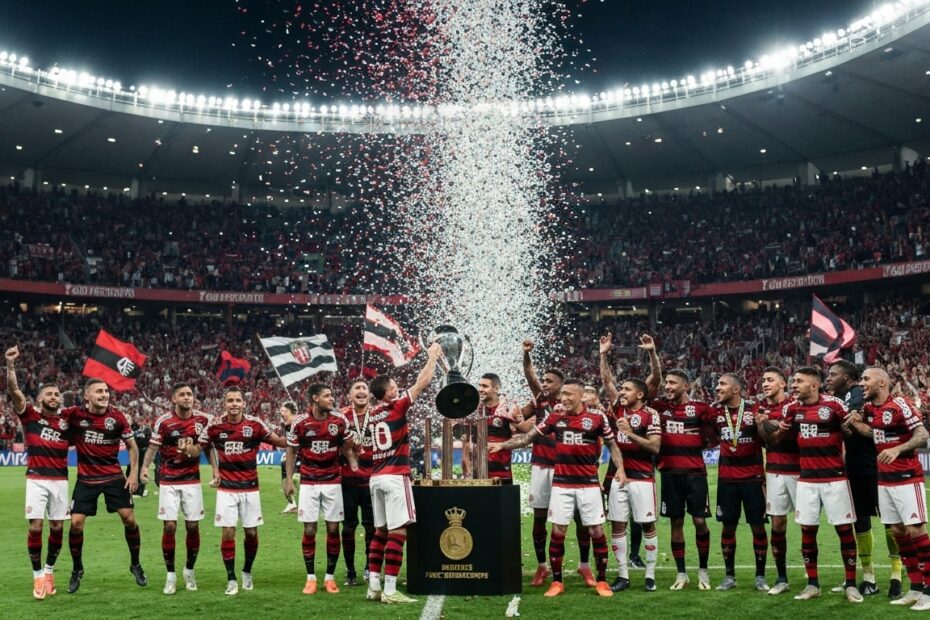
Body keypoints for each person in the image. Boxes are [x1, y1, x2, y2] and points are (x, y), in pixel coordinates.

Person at [491, 379, 626, 598]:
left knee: (596, 531)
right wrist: (503, 445)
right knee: (558, 531)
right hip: (562, 484)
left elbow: (612, 444)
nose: (564, 399)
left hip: (589, 484)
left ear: (581, 396)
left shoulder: (596, 418)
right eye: (562, 394)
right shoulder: (556, 417)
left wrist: (620, 468)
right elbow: (528, 437)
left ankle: (602, 581)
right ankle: (557, 582)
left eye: (569, 395)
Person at [185, 386, 287, 596]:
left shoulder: (254, 424)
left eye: (237, 400)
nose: (234, 404)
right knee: (228, 531)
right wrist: (188, 448)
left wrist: (294, 431)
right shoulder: (215, 425)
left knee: (251, 533)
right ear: (225, 403)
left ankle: (247, 571)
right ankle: (231, 578)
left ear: (243, 403)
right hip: (227, 488)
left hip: (250, 488)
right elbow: (199, 447)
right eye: (230, 400)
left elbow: (278, 441)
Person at [847, 367, 930, 609]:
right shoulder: (871, 409)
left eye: (866, 379)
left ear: (882, 383)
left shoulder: (900, 404)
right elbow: (874, 434)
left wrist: (897, 449)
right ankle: (915, 587)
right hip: (884, 479)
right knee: (898, 531)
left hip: (906, 476)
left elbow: (922, 434)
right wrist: (854, 424)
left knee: (916, 530)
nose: (861, 383)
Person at [365, 342, 442, 605]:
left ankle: (373, 586)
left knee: (380, 532)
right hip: (396, 475)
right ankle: (389, 590)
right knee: (398, 533)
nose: (398, 390)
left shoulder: (372, 415)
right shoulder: (397, 406)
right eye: (394, 388)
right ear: (387, 393)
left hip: (375, 478)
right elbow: (422, 383)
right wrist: (431, 357)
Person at [778, 367, 862, 603]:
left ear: (814, 385)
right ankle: (813, 584)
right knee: (807, 530)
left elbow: (851, 431)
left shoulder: (834, 405)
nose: (794, 385)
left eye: (799, 381)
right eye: (794, 381)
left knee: (844, 530)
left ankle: (851, 585)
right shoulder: (792, 409)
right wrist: (781, 431)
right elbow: (782, 440)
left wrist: (849, 426)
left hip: (835, 478)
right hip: (806, 479)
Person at [632, 348, 712, 591]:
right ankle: (681, 573)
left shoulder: (700, 409)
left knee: (699, 521)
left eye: (673, 383)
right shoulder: (658, 407)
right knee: (675, 522)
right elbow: (650, 386)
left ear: (685, 386)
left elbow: (709, 438)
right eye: (667, 382)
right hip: (669, 474)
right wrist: (653, 355)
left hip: (695, 473)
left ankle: (703, 571)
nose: (668, 386)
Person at [518, 340, 593, 587]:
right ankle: (542, 567)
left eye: (550, 381)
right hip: (541, 466)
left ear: (562, 386)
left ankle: (584, 565)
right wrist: (526, 354)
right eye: (545, 381)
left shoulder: (576, 407)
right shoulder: (540, 401)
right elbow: (529, 378)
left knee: (582, 519)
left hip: (569, 469)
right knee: (540, 517)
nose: (545, 384)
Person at [61, 377, 146, 594]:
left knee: (129, 518)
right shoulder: (75, 414)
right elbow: (53, 417)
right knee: (77, 523)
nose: (104, 394)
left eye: (106, 391)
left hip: (113, 477)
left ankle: (135, 564)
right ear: (87, 395)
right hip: (86, 478)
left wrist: (133, 474)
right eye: (99, 391)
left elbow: (133, 447)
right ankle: (77, 569)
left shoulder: (116, 416)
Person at [5, 346, 69, 600]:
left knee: (56, 529)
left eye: (57, 394)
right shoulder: (30, 415)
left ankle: (50, 570)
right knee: (36, 527)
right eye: (49, 394)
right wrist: (10, 366)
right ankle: (37, 576)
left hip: (61, 480)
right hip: (37, 479)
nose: (54, 397)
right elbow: (15, 392)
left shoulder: (67, 422)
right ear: (40, 398)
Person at [139, 382, 215, 595]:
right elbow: (153, 447)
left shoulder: (202, 420)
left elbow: (208, 449)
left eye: (190, 394)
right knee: (169, 527)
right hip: (169, 481)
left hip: (192, 481)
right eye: (182, 394)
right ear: (174, 399)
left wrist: (215, 471)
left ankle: (189, 571)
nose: (187, 397)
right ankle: (170, 575)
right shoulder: (164, 421)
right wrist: (145, 468)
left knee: (192, 527)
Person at [827, 359, 895, 597]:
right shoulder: (841, 399)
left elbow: (856, 423)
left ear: (846, 378)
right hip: (855, 469)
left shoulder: (857, 394)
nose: (828, 379)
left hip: (875, 467)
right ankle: (869, 577)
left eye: (833, 374)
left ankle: (896, 576)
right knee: (861, 521)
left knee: (889, 521)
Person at [285, 383, 357, 595]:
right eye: (327, 396)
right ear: (315, 398)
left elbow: (347, 443)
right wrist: (289, 479)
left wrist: (352, 454)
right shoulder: (300, 422)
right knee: (309, 529)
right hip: (308, 482)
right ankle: (310, 578)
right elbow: (291, 451)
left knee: (333, 529)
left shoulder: (339, 420)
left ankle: (329, 577)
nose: (332, 399)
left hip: (333, 481)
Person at [708, 374, 768, 592]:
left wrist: (762, 425)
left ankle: (760, 576)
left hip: (753, 479)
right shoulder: (715, 412)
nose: (717, 387)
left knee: (758, 527)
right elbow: (711, 439)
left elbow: (766, 440)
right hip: (727, 480)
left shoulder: (755, 409)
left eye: (722, 384)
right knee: (728, 527)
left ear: (736, 390)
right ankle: (729, 575)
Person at [604, 378, 661, 592]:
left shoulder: (650, 415)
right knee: (618, 524)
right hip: (620, 477)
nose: (622, 392)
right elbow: (607, 382)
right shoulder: (619, 410)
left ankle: (650, 575)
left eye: (627, 389)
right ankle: (623, 575)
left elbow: (655, 447)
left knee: (647, 524)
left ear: (639, 395)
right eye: (622, 388)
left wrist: (629, 434)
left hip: (643, 478)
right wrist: (603, 355)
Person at [753, 367, 796, 595]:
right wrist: (765, 423)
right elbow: (768, 439)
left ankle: (814, 575)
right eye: (763, 380)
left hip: (800, 472)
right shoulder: (760, 408)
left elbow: (784, 432)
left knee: (809, 524)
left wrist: (767, 422)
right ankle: (782, 577)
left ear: (783, 384)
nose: (765, 383)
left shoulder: (793, 405)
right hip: (775, 472)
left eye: (770, 380)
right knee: (778, 524)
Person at [339, 380, 375, 586]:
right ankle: (350, 570)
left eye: (364, 389)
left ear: (369, 394)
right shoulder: (341, 416)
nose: (361, 392)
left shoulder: (378, 415)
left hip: (371, 481)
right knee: (348, 527)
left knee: (371, 527)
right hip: (347, 481)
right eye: (357, 389)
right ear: (350, 395)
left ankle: (370, 566)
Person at [478, 373, 518, 483]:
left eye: (485, 386)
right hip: (478, 472)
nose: (480, 389)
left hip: (501, 472)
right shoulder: (476, 411)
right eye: (479, 385)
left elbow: (519, 438)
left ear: (496, 388)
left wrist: (501, 445)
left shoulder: (508, 409)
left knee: (503, 500)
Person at [279, 402, 300, 514]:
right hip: (295, 454)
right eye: (280, 411)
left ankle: (303, 504)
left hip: (306, 456)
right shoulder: (286, 426)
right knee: (284, 464)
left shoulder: (301, 424)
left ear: (293, 413)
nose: (281, 413)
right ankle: (292, 504)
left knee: (296, 478)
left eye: (284, 411)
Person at [129, 419, 152, 497]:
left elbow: (150, 441)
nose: (141, 423)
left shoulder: (147, 430)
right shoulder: (134, 430)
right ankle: (133, 490)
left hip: (143, 452)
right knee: (133, 469)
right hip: (136, 452)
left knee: (141, 470)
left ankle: (140, 491)